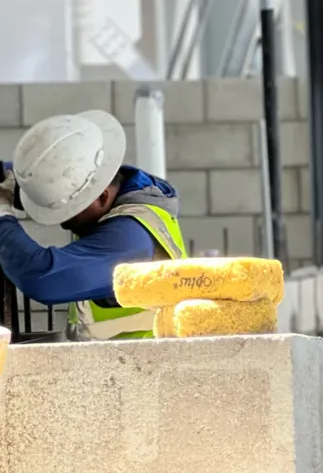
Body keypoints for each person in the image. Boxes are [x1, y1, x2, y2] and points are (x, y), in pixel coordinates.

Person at [0, 110, 188, 340]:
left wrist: (2, 217)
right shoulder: (114, 186)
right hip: (108, 361)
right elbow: (50, 175)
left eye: (69, 210)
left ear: (101, 197)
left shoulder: (129, 241)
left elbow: (44, 277)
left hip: (146, 367)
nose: (63, 222)